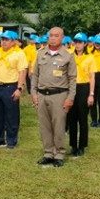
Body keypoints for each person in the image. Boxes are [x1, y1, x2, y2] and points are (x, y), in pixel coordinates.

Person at [31, 27, 76, 167]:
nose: (53, 38)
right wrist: (33, 93)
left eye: (56, 36)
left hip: (59, 95)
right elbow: (35, 75)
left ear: (62, 38)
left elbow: (72, 79)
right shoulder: (40, 53)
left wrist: (70, 98)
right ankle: (48, 153)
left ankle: (59, 153)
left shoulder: (68, 55)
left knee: (58, 126)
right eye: (51, 35)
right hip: (42, 94)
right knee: (45, 126)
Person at [0, 31, 28, 149]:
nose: (3, 42)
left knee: (11, 115)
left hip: (10, 86)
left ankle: (11, 140)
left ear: (13, 42)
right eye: (2, 39)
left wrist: (19, 88)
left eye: (6, 39)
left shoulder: (19, 54)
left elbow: (22, 71)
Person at [67, 32, 96, 156]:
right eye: (76, 42)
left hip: (84, 87)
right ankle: (73, 145)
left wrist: (91, 94)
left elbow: (92, 77)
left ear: (84, 44)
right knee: (72, 119)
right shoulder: (69, 56)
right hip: (72, 87)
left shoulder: (90, 58)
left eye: (80, 42)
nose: (77, 45)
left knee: (83, 119)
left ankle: (82, 145)